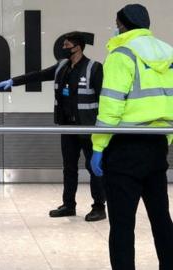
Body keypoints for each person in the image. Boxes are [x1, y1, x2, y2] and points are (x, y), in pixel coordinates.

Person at [90, 4, 173, 269]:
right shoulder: (169, 53)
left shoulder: (121, 54)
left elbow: (111, 105)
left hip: (125, 146)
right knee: (161, 218)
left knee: (123, 225)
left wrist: (99, 146)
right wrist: (165, 139)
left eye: (116, 22)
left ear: (123, 24)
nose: (115, 27)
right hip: (158, 144)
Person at [0, 32, 106, 221]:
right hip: (67, 126)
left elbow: (104, 99)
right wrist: (14, 81)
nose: (63, 49)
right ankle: (69, 205)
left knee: (93, 168)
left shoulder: (94, 68)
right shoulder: (62, 66)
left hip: (88, 128)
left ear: (78, 47)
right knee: (69, 167)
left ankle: (99, 207)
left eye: (67, 45)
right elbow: (38, 75)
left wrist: (103, 128)